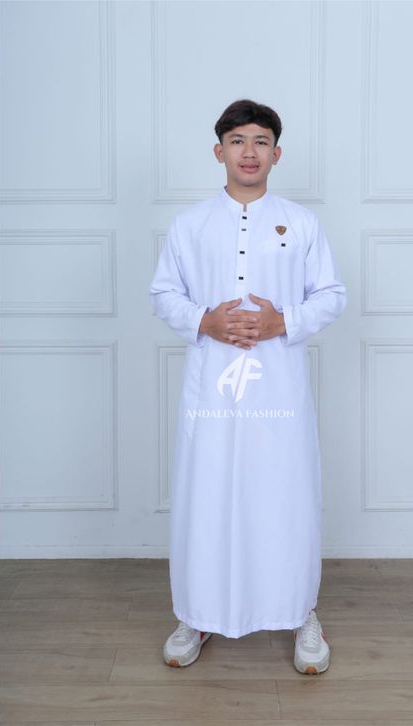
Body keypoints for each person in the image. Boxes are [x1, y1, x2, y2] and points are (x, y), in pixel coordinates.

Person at [149, 99, 346, 675]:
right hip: (211, 386)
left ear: (277, 154)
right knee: (205, 493)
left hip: (278, 387)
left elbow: (331, 294)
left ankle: (300, 612)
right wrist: (204, 321)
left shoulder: (301, 223)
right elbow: (164, 293)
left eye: (261, 141)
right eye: (238, 141)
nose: (250, 152)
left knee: (285, 494)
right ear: (220, 152)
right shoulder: (189, 225)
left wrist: (283, 321)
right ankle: (196, 614)